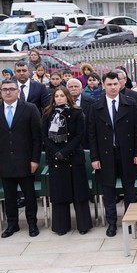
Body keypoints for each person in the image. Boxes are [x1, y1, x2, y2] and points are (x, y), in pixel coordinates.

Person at [87, 71, 137, 237]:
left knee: (129, 190)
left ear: (120, 84)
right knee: (108, 191)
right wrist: (94, 157)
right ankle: (111, 223)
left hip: (127, 153)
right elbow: (92, 134)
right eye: (109, 84)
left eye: (115, 84)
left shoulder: (130, 103)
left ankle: (129, 221)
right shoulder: (95, 107)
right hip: (105, 154)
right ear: (103, 86)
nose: (112, 87)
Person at [41, 87, 93, 235]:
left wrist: (65, 151)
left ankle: (83, 225)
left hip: (74, 156)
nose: (59, 98)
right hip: (55, 157)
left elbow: (79, 135)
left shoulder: (77, 113)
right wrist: (56, 152)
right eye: (56, 96)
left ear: (67, 97)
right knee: (59, 193)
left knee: (79, 193)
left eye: (62, 96)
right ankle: (61, 227)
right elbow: (44, 136)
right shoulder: (47, 114)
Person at [0, 80, 42, 238]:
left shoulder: (30, 108)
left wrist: (35, 159)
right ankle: (12, 224)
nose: (8, 92)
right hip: (4, 161)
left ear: (18, 91)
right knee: (9, 196)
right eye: (4, 89)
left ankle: (32, 223)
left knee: (29, 195)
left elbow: (37, 137)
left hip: (25, 160)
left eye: (11, 89)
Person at [66, 77, 95, 149]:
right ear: (66, 89)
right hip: (68, 142)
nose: (73, 88)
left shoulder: (91, 102)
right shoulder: (62, 103)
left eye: (76, 86)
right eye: (71, 87)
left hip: (86, 140)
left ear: (81, 88)